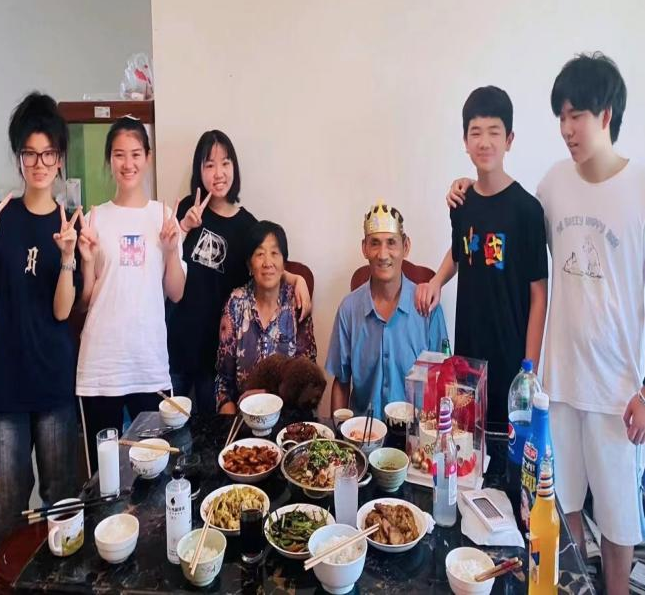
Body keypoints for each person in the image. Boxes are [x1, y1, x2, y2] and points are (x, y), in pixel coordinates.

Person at [447, 54, 645, 595]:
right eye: (561, 116)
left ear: (606, 115)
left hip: (618, 388)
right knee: (560, 501)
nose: (566, 129)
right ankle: (572, 585)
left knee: (619, 520)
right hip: (557, 385)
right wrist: (465, 188)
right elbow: (503, 225)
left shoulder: (639, 189)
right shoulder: (554, 184)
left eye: (576, 115)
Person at [0, 93, 80, 547]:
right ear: (18, 158)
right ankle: (7, 579)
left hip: (54, 382)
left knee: (63, 508)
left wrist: (69, 257)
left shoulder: (70, 223)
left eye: (48, 153)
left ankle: (62, 578)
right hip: (6, 387)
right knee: (7, 512)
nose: (39, 163)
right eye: (30, 153)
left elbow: (62, 311)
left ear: (60, 159)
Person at [416, 86, 548, 428]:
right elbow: (462, 251)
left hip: (511, 359)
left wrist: (529, 373)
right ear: (465, 140)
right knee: (467, 440)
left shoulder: (527, 211)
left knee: (508, 450)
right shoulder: (462, 202)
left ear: (509, 139)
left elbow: (539, 294)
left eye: (494, 132)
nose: (485, 142)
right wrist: (436, 280)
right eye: (476, 132)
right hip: (469, 357)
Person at [167, 130, 311, 412]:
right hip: (178, 343)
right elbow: (164, 262)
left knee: (210, 429)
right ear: (199, 170)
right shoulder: (187, 209)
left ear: (234, 167)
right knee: (170, 426)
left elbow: (265, 267)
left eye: (225, 163)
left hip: (215, 354)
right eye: (209, 165)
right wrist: (183, 226)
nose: (218, 173)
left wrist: (296, 278)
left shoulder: (247, 226)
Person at [76, 116, 186, 472]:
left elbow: (176, 293)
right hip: (101, 367)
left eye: (136, 154)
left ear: (148, 158)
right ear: (109, 159)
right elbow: (86, 299)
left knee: (154, 471)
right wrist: (86, 260)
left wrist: (170, 250)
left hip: (148, 363)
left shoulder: (164, 217)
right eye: (119, 154)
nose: (128, 163)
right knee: (104, 477)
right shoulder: (95, 218)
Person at [327, 201, 448, 420]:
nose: (383, 254)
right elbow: (341, 383)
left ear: (406, 246)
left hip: (415, 434)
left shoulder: (428, 308)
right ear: (364, 248)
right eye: (375, 243)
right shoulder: (349, 310)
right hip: (362, 433)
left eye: (391, 243)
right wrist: (340, 431)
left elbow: (443, 384)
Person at [215, 220, 317, 413]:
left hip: (288, 418)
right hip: (243, 418)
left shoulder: (296, 304)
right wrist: (229, 420)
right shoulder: (235, 304)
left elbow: (309, 382)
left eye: (274, 253)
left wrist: (267, 395)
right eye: (260, 254)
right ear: (249, 264)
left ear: (284, 263)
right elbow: (223, 383)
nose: (268, 262)